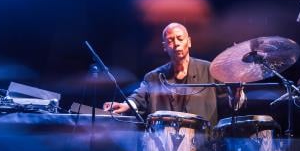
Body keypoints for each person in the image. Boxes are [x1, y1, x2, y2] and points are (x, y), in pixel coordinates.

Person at [103, 22, 244, 125]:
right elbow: (138, 97)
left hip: (203, 144)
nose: (176, 43)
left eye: (180, 39)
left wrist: (237, 92)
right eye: (170, 40)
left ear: (189, 42)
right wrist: (126, 105)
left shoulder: (210, 69)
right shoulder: (153, 77)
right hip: (163, 146)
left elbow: (232, 102)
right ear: (164, 47)